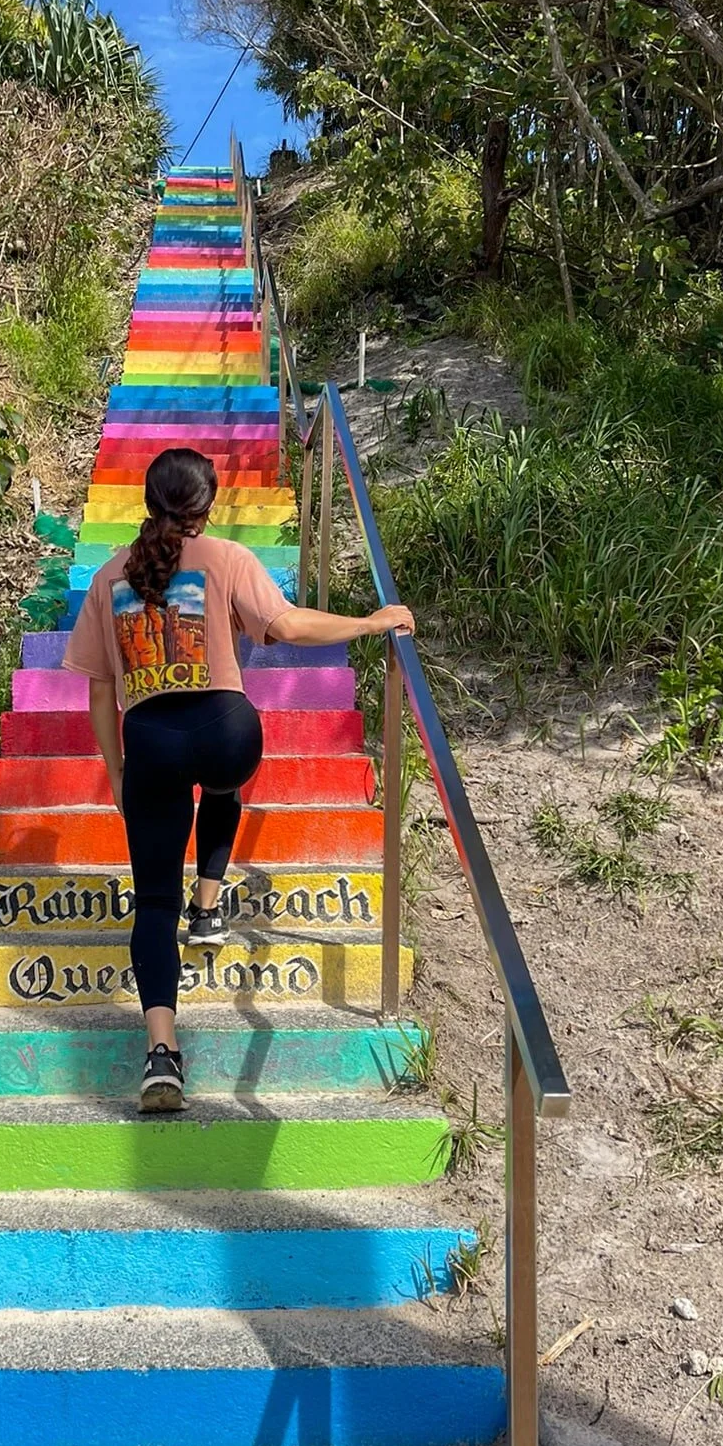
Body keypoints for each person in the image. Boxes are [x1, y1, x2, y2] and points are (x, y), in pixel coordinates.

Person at [63, 446, 415, 1113]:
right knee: (221, 784)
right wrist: (369, 622)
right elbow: (285, 625)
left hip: (148, 744)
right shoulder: (226, 558)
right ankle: (210, 904)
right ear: (208, 503)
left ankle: (161, 1055)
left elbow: (99, 692)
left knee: (151, 902)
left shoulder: (109, 576)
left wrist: (116, 772)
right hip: (226, 732)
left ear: (147, 499)